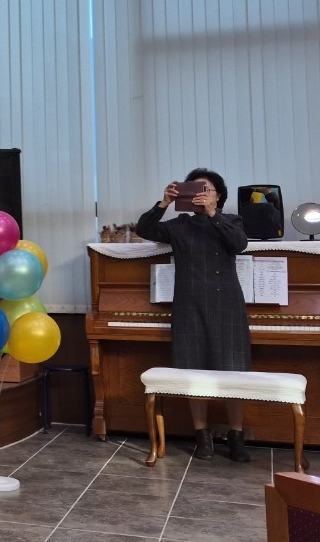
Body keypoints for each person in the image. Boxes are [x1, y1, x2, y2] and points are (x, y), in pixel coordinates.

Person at [136, 168, 252, 463]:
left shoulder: (232, 221)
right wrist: (164, 202)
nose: (200, 195)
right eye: (195, 189)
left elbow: (239, 244)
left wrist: (213, 214)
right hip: (189, 304)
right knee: (193, 371)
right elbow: (145, 229)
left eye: (206, 189)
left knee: (234, 370)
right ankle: (202, 436)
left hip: (227, 304)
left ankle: (236, 437)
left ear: (218, 196)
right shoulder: (179, 225)